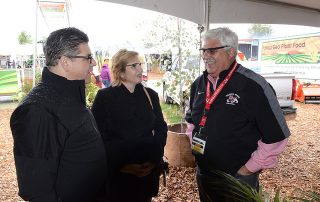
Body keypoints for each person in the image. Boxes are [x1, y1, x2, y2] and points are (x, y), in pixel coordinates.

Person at [185, 27, 290, 201]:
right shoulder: (199, 83)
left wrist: (247, 169)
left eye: (211, 50)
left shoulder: (253, 86)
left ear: (231, 52)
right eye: (203, 50)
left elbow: (277, 135)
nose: (205, 55)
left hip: (237, 179)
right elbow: (191, 120)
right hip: (204, 175)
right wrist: (195, 147)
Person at [10, 27, 107, 202]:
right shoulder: (37, 110)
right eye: (88, 58)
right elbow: (37, 190)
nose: (93, 63)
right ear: (65, 62)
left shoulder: (72, 96)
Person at [91, 49, 167, 202]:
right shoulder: (105, 98)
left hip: (147, 175)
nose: (140, 69)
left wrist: (154, 160)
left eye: (140, 64)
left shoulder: (150, 95)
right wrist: (120, 166)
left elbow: (160, 128)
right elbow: (98, 137)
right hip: (118, 178)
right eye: (134, 66)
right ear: (120, 71)